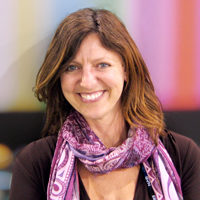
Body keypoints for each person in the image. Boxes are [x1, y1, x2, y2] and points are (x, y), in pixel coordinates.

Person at [10, 8, 200, 200]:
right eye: (72, 67)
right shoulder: (35, 164)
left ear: (126, 70)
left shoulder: (183, 156)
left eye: (102, 65)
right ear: (59, 77)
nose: (86, 81)